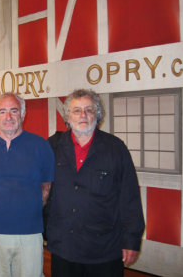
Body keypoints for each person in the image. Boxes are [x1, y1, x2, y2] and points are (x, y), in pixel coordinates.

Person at [46, 89, 145, 277]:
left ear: (97, 115)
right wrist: (1, 135)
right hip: (64, 247)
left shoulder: (115, 148)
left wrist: (131, 240)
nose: (83, 115)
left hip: (104, 250)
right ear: (68, 116)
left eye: (89, 110)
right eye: (76, 110)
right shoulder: (53, 146)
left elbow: (130, 197)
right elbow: (27, 159)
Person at [0, 92, 54, 277]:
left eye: (14, 111)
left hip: (30, 235)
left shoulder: (40, 146)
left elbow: (46, 187)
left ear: (23, 114)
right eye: (2, 111)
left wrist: (28, 212)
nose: (8, 117)